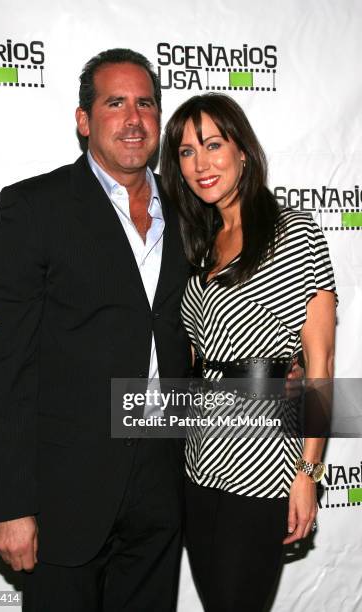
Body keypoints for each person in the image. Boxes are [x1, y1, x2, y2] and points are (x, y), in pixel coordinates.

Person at [0, 48, 191, 612]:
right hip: (65, 487)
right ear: (84, 119)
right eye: (114, 102)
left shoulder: (191, 208)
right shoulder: (34, 207)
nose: (133, 118)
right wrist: (10, 504)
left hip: (163, 481)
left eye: (145, 103)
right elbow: (3, 365)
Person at [161, 93, 337, 612]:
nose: (201, 164)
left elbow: (320, 366)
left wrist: (308, 476)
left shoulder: (296, 231)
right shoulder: (199, 242)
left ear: (243, 151)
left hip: (263, 471)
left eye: (213, 145)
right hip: (196, 466)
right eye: (187, 153)